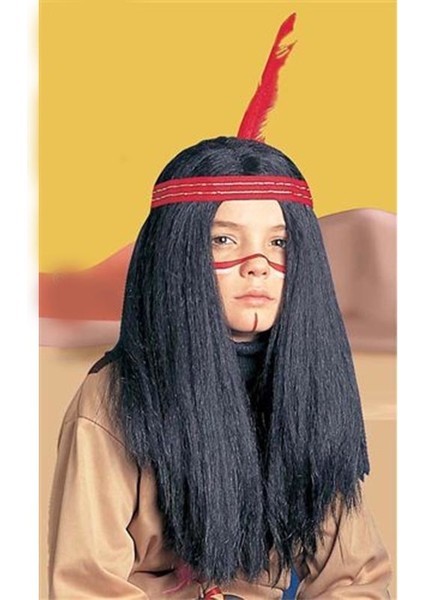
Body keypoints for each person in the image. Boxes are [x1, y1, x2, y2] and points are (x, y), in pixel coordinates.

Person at [48, 136, 392, 600]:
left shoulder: (308, 384)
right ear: (179, 253)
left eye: (279, 242)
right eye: (224, 239)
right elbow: (89, 586)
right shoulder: (114, 397)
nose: (258, 266)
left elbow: (355, 579)